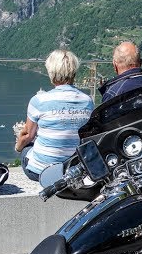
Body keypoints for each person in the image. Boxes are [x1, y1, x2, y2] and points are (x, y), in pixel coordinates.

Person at [14, 48, 94, 183]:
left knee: (26, 149)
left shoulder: (38, 100)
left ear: (51, 73)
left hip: (40, 172)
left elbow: (27, 135)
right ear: (73, 72)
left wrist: (18, 148)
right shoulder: (87, 101)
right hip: (74, 170)